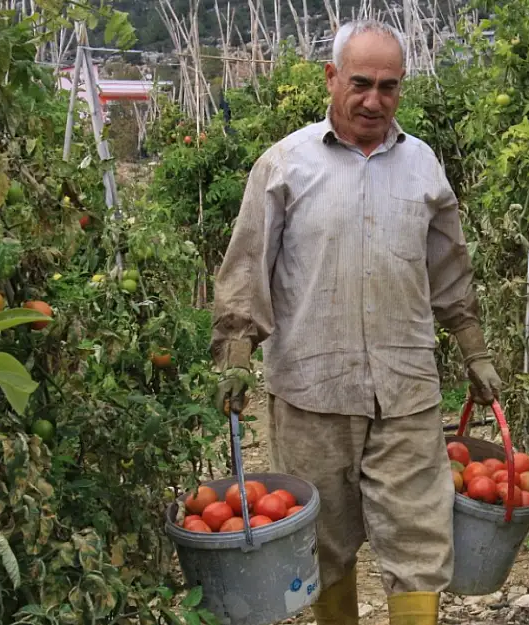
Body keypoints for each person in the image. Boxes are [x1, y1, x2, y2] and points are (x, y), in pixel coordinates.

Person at [209, 20, 503, 625]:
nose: (374, 99)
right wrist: (237, 352)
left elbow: (449, 271)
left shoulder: (423, 168)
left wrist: (474, 349)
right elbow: (247, 266)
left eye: (389, 86)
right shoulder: (285, 165)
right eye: (362, 83)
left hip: (406, 391)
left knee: (420, 544)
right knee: (325, 547)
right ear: (332, 79)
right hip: (312, 393)